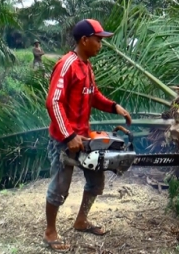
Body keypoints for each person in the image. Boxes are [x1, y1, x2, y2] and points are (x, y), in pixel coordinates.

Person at [43, 19, 132, 252]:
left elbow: (93, 95)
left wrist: (114, 107)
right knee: (60, 186)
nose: (100, 44)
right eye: (98, 39)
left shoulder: (87, 66)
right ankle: (50, 231)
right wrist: (68, 135)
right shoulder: (67, 65)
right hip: (66, 139)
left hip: (84, 137)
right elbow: (53, 102)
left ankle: (81, 220)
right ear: (84, 40)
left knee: (96, 180)